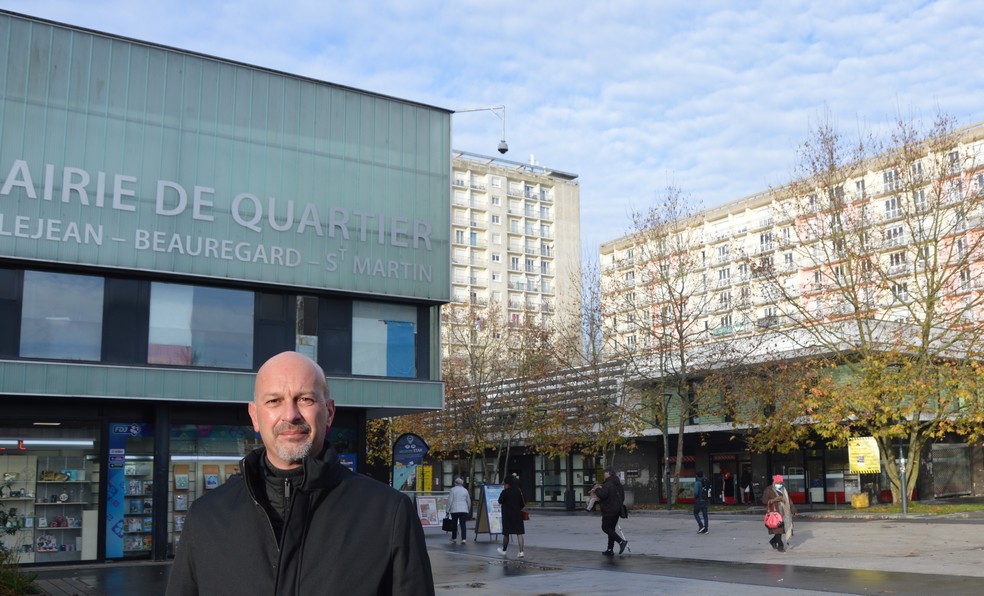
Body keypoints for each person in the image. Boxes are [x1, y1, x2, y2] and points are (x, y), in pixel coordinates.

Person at [165, 351, 435, 596]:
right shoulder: (206, 517)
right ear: (255, 416)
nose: (290, 415)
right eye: (274, 401)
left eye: (304, 399)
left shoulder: (388, 514)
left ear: (328, 413)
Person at [594, 467, 628, 556]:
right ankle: (610, 550)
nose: (604, 474)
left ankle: (621, 542)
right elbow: (622, 497)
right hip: (617, 510)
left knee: (605, 528)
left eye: (605, 473)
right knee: (611, 529)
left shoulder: (608, 484)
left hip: (609, 510)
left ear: (608, 473)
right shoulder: (618, 484)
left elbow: (603, 495)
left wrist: (597, 489)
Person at [761, 473, 796, 552]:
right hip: (774, 513)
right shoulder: (768, 489)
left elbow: (788, 499)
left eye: (781, 483)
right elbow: (764, 501)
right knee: (778, 529)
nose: (779, 484)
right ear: (774, 482)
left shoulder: (783, 489)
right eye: (778, 483)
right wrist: (774, 500)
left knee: (782, 529)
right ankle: (780, 545)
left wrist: (793, 508)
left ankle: (773, 541)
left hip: (784, 512)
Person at [497, 474, 526, 558]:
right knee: (519, 533)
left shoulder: (505, 492)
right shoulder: (518, 491)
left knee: (506, 533)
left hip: (507, 515)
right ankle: (521, 552)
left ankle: (504, 550)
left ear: (507, 484)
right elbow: (523, 502)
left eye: (504, 484)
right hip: (517, 514)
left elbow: (500, 501)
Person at [447, 477, 471, 544]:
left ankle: (454, 538)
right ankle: (463, 539)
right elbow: (468, 501)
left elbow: (450, 500)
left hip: (454, 509)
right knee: (463, 524)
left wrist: (447, 510)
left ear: (456, 483)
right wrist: (468, 509)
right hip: (464, 509)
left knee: (454, 524)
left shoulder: (453, 490)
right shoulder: (465, 490)